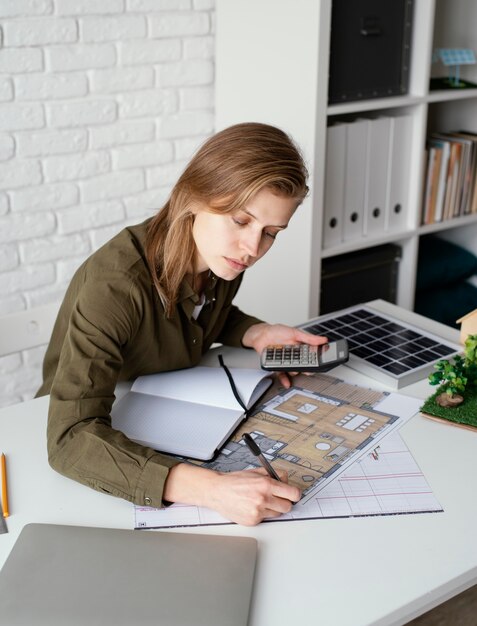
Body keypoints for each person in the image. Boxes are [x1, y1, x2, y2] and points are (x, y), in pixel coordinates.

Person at [38, 122, 327, 526]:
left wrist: (256, 333)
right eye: (241, 221)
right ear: (193, 197)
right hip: (89, 436)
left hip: (164, 404)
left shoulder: (220, 258)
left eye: (271, 233)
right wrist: (213, 489)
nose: (253, 249)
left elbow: (200, 317)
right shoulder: (116, 286)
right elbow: (70, 438)